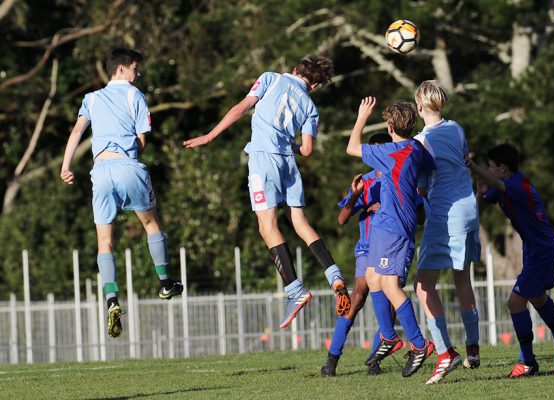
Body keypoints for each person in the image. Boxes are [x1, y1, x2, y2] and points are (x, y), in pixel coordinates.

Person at [183, 55, 351, 329]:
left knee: (267, 226)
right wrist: (289, 144)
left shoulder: (271, 78)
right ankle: (334, 275)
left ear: (295, 69)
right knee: (300, 223)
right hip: (288, 163)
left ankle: (295, 291)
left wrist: (210, 135)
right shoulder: (310, 105)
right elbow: (307, 150)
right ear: (316, 86)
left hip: (264, 160)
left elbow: (241, 107)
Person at [60, 48, 183, 338]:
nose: (137, 74)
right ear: (121, 69)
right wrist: (129, 157)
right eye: (135, 68)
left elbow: (76, 132)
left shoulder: (90, 98)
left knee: (104, 242)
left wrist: (66, 166)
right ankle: (165, 282)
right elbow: (142, 140)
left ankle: (112, 299)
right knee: (150, 223)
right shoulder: (134, 95)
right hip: (127, 166)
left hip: (99, 172)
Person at [466, 143, 554, 377]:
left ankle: (527, 361)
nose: (489, 170)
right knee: (537, 297)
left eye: (491, 166)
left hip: (542, 249)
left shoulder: (517, 184)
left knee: (515, 303)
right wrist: (479, 190)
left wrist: (472, 165)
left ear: (503, 168)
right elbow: (478, 209)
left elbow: (497, 185)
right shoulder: (504, 185)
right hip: (535, 248)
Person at [346, 97, 436, 378]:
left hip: (395, 224)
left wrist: (361, 116)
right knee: (373, 278)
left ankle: (419, 345)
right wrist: (419, 188)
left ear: (389, 126)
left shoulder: (390, 151)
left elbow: (351, 147)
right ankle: (389, 336)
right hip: (387, 222)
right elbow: (428, 169)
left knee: (389, 284)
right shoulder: (416, 148)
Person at [412, 80, 481, 384]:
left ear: (419, 106)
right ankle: (473, 348)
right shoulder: (456, 128)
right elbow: (464, 157)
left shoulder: (421, 139)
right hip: (468, 212)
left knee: (423, 286)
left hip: (444, 216)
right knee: (462, 279)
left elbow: (423, 184)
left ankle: (444, 353)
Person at [321, 133, 396, 377]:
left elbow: (419, 215)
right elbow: (341, 220)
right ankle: (332, 359)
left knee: (392, 302)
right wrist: (356, 197)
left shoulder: (400, 177)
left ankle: (375, 359)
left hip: (393, 246)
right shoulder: (365, 181)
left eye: (381, 150)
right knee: (359, 295)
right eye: (372, 150)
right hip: (367, 248)